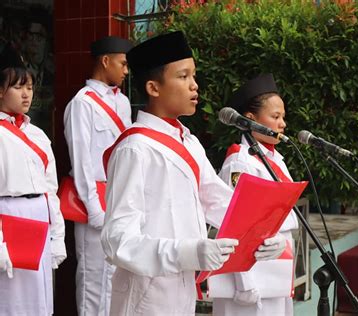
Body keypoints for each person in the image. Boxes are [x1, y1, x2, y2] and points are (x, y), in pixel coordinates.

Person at [100, 31, 287, 315]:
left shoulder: (187, 140)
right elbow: (117, 240)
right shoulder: (135, 149)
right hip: (145, 294)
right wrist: (187, 252)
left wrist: (264, 234)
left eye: (194, 76)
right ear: (153, 87)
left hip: (183, 285)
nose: (194, 86)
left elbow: (219, 201)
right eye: (183, 76)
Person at [211, 74, 299, 316]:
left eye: (283, 116)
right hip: (252, 282)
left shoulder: (273, 159)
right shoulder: (240, 163)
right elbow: (235, 227)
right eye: (275, 117)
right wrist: (245, 285)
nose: (282, 124)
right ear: (250, 120)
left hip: (275, 272)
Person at [63, 36, 134, 315]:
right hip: (92, 200)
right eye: (123, 63)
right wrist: (93, 208)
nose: (126, 70)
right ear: (105, 61)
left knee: (118, 276)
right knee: (94, 280)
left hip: (119, 198)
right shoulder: (82, 104)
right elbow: (80, 161)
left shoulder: (124, 102)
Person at [0, 44, 66, 315]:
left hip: (39, 217)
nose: (26, 93)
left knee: (39, 300)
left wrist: (58, 236)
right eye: (18, 87)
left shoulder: (37, 135)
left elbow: (51, 188)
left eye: (29, 86)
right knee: (10, 299)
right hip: (8, 217)